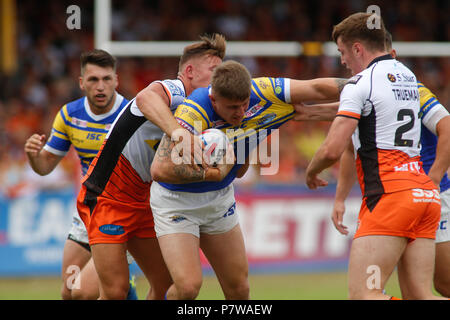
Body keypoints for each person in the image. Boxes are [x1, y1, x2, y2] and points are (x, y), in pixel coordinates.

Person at [149, 60, 347, 300]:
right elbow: (159, 169)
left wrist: (364, 86)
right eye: (232, 107)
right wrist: (212, 173)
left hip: (218, 201)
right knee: (188, 287)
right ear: (214, 101)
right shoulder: (193, 111)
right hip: (176, 202)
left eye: (244, 104)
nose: (241, 112)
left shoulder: (262, 90)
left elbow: (316, 89)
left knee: (239, 290)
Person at [304, 12, 446, 300]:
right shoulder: (409, 78)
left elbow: (333, 148)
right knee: (420, 294)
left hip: (390, 198)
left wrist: (311, 171)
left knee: (364, 294)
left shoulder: (360, 84)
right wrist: (305, 112)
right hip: (424, 197)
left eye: (343, 52)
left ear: (358, 48)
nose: (342, 61)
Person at [76, 34, 226, 300]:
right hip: (108, 195)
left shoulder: (206, 109)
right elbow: (145, 98)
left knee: (166, 285)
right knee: (113, 292)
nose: (219, 78)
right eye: (214, 71)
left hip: (146, 200)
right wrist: (179, 134)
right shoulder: (175, 89)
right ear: (189, 72)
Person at [24, 49, 137, 300]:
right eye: (93, 80)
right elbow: (45, 167)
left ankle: (122, 281)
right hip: (88, 214)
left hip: (122, 215)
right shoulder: (69, 115)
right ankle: (126, 284)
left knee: (83, 293)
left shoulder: (132, 115)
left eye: (107, 79)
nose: (100, 86)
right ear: (81, 82)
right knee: (68, 290)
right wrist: (34, 154)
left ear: (116, 81)